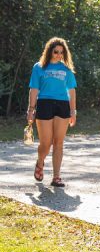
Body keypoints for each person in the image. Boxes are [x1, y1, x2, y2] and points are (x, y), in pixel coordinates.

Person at [27, 37, 77, 187]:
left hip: (62, 105)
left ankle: (56, 177)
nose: (58, 55)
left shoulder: (66, 69)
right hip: (44, 104)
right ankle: (40, 162)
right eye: (56, 52)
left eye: (61, 53)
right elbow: (34, 89)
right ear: (49, 51)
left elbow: (72, 91)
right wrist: (31, 109)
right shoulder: (39, 67)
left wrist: (73, 111)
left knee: (59, 142)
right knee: (46, 143)